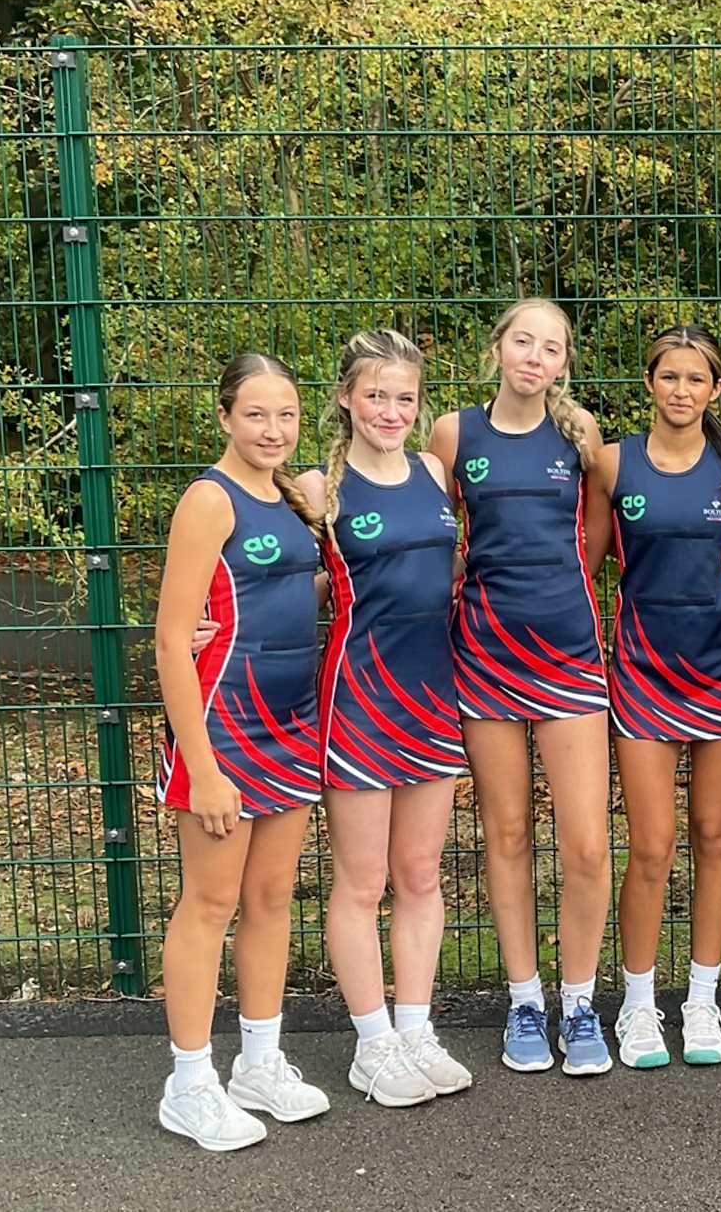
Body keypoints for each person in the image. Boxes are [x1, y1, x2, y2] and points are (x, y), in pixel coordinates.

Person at [425, 298, 613, 1076]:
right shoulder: (451, 432)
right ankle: (525, 1000)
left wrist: (558, 596)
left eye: (551, 347)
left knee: (587, 843)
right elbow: (433, 536)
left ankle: (580, 1000)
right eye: (523, 341)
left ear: (564, 363)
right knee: (505, 833)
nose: (535, 356)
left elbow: (595, 535)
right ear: (499, 347)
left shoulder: (581, 436)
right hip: (485, 658)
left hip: (569, 653)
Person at [153, 354, 330, 1150]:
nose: (272, 430)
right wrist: (206, 767)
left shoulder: (291, 499)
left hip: (291, 727)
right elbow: (168, 640)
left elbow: (283, 596)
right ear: (224, 416)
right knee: (210, 903)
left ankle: (259, 1061)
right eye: (256, 414)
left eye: (286, 414)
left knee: (270, 901)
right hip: (223, 732)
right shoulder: (208, 499)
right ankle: (189, 1083)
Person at [298, 329, 470, 1107]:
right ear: (345, 397)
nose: (390, 410)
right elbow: (268, 573)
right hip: (359, 698)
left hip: (434, 693)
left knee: (421, 874)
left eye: (404, 396)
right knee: (363, 880)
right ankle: (371, 1045)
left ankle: (414, 1027)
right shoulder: (313, 487)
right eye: (375, 394)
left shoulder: (435, 470)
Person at [585, 325, 721, 1069]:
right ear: (649, 383)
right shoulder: (612, 462)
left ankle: (701, 999)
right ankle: (636, 1005)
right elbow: (582, 563)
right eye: (670, 376)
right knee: (652, 845)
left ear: (715, 389)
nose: (683, 389)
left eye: (697, 379)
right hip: (643, 673)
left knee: (714, 835)